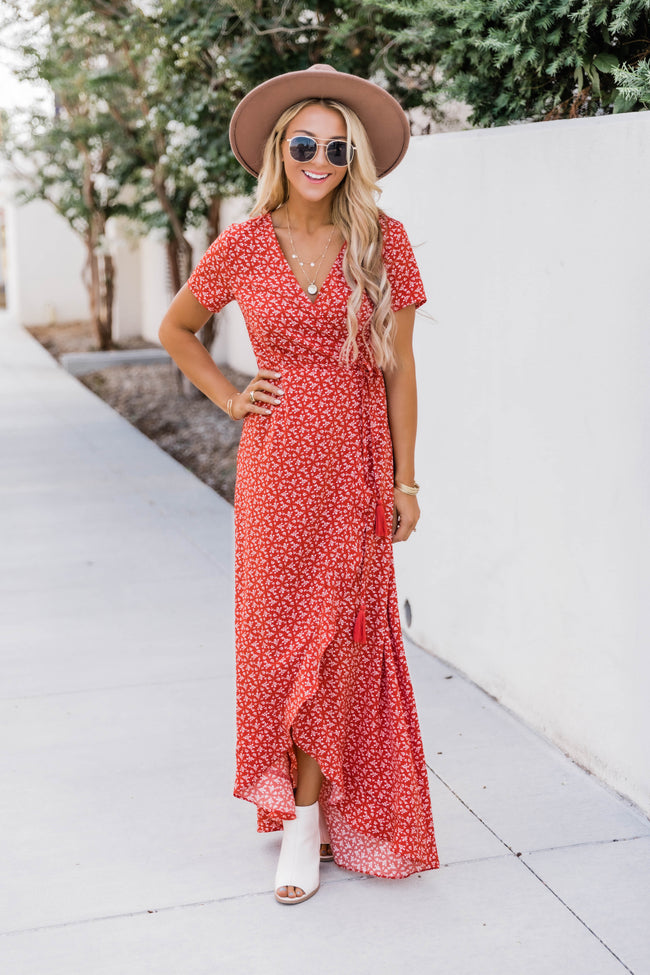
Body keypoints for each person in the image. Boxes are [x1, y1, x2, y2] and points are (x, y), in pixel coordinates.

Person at [159, 63, 439, 905]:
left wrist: (407, 480)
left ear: (354, 159)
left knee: (343, 645)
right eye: (307, 143)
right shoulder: (243, 243)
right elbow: (177, 329)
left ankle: (309, 819)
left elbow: (400, 370)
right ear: (281, 150)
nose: (322, 159)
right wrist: (231, 395)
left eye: (338, 147)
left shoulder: (384, 240)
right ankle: (290, 809)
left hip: (355, 471)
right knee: (280, 643)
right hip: (277, 474)